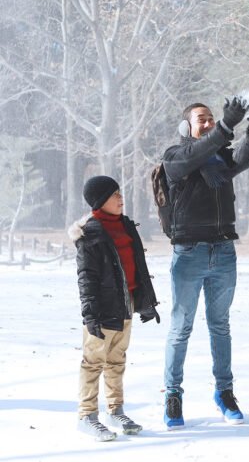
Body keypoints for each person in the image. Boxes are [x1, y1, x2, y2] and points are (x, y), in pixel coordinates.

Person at [162, 96, 249, 429]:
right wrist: (223, 126)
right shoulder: (176, 157)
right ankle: (173, 396)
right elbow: (193, 156)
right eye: (201, 119)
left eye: (211, 118)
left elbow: (243, 158)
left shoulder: (219, 158)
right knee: (181, 328)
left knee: (220, 326)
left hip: (223, 252)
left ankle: (225, 392)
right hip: (189, 254)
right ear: (186, 128)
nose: (208, 123)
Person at [68, 175, 160, 442]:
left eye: (120, 193)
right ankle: (86, 415)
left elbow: (138, 268)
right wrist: (89, 314)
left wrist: (146, 303)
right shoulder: (91, 233)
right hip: (102, 310)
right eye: (114, 194)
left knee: (117, 360)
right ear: (100, 201)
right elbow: (86, 277)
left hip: (126, 305)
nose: (121, 198)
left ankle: (115, 410)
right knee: (93, 361)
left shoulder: (126, 226)